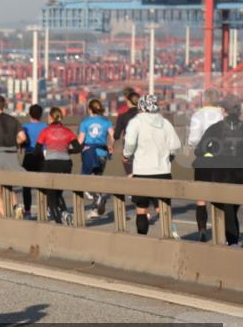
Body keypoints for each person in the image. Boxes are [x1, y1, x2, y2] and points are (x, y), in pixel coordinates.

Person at [122, 94, 182, 237]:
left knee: (141, 209)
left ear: (141, 106)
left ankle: (143, 239)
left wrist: (127, 155)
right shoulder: (165, 122)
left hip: (142, 172)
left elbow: (130, 143)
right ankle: (172, 234)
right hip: (163, 172)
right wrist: (168, 156)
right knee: (163, 208)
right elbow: (176, 145)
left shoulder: (136, 122)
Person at [193, 94, 242, 246]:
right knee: (233, 207)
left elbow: (199, 150)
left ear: (223, 110)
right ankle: (233, 238)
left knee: (227, 208)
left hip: (222, 174)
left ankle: (232, 240)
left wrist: (211, 153)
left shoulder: (215, 129)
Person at [187, 89, 225, 242]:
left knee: (201, 198)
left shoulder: (198, 115)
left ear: (205, 100)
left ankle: (202, 229)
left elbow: (193, 140)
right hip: (222, 160)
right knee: (221, 196)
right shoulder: (223, 115)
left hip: (203, 160)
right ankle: (221, 233)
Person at [36, 107, 80, 224]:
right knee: (58, 192)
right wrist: (66, 151)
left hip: (51, 164)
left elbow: (37, 151)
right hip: (66, 165)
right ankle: (65, 213)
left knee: (51, 196)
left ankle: (59, 224)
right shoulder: (68, 131)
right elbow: (78, 148)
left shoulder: (45, 131)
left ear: (50, 118)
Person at [77, 99, 115, 218]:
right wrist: (110, 147)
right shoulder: (106, 121)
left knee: (85, 180)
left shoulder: (85, 122)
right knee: (97, 178)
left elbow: (80, 140)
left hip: (89, 153)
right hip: (102, 153)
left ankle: (97, 197)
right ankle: (95, 208)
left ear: (89, 109)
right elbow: (113, 136)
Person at [20, 105, 47, 219]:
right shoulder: (45, 127)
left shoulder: (24, 127)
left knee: (26, 186)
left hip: (29, 156)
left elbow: (21, 141)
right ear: (41, 114)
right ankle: (44, 210)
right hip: (41, 156)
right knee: (42, 184)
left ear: (30, 114)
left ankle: (27, 211)